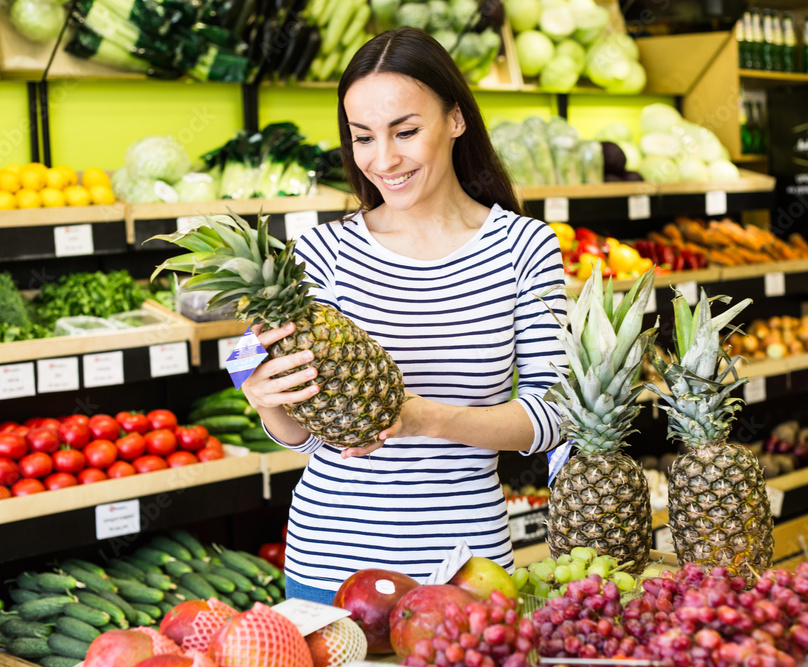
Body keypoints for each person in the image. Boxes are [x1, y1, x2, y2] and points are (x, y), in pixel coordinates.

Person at [240, 26, 568, 605]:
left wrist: (423, 419)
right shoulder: (320, 253)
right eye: (362, 137)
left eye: (406, 131)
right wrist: (268, 403)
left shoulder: (524, 247)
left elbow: (553, 417)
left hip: (465, 569)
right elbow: (305, 437)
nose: (383, 159)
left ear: (456, 119)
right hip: (328, 565)